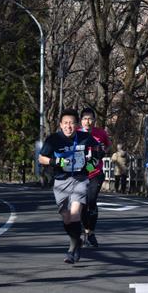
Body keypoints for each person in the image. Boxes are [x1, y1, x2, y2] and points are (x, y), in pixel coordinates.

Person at [38, 108, 103, 264]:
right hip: (61, 181)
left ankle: (71, 250)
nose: (68, 126)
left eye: (72, 123)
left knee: (75, 214)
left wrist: (88, 168)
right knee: (66, 218)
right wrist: (56, 162)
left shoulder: (84, 137)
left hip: (80, 179)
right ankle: (77, 240)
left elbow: (99, 152)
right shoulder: (53, 139)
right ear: (61, 124)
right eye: (65, 123)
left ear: (77, 124)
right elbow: (41, 158)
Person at [77, 107, 112, 248]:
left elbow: (109, 146)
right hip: (80, 173)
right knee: (83, 204)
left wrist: (103, 151)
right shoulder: (76, 133)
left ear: (94, 120)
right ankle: (86, 231)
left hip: (95, 172)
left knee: (91, 200)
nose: (88, 121)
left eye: (90, 118)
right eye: (85, 118)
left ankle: (90, 232)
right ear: (81, 121)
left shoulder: (100, 133)